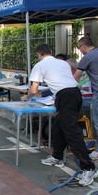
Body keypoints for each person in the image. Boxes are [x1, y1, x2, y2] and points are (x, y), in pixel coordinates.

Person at [20, 44, 96, 186]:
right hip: (73, 94)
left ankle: (88, 168)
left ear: (38, 54)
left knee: (72, 133)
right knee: (58, 126)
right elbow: (66, 80)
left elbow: (34, 89)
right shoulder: (62, 63)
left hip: (65, 97)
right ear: (51, 52)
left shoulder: (39, 66)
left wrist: (27, 97)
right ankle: (57, 156)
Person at [74, 37, 98, 160]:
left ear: (83, 46)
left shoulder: (87, 57)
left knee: (97, 123)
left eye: (80, 49)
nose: (81, 52)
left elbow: (76, 78)